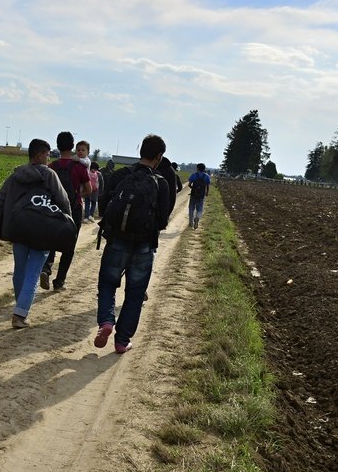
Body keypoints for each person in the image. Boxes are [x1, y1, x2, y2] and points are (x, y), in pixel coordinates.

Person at [94, 134, 171, 354]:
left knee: (108, 284)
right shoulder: (161, 183)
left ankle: (106, 321)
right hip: (144, 245)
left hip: (117, 239)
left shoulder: (120, 175)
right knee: (135, 293)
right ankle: (122, 341)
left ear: (140, 152)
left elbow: (104, 203)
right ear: (159, 157)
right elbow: (163, 220)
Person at [0, 139, 71, 328]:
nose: (49, 158)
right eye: (48, 154)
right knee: (33, 272)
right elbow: (63, 202)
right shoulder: (49, 175)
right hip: (43, 230)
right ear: (40, 155)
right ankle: (20, 313)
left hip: (18, 228)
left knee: (20, 271)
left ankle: (20, 305)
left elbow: (0, 201)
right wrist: (66, 226)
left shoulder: (16, 176)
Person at [40, 132, 92, 292]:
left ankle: (46, 269)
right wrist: (78, 195)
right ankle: (59, 282)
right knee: (69, 246)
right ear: (73, 146)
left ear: (58, 145)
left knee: (50, 241)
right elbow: (89, 189)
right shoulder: (80, 167)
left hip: (53, 208)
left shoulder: (52, 166)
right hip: (73, 209)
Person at [188, 163, 211, 229]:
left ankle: (191, 223)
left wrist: (193, 189)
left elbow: (189, 184)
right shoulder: (206, 176)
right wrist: (206, 193)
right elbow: (207, 186)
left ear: (197, 168)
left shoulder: (194, 175)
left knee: (191, 208)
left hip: (193, 195)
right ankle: (197, 217)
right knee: (200, 209)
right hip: (201, 196)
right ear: (204, 169)